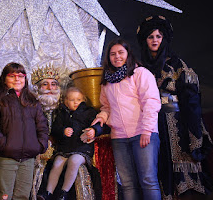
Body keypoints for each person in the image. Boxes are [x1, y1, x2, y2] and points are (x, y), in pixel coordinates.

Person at [137, 15, 213, 199]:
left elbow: (191, 100)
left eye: (158, 36)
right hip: (152, 124)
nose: (155, 40)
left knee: (183, 166)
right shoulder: (141, 68)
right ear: (145, 40)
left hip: (178, 123)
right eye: (150, 37)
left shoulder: (178, 65)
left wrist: (195, 135)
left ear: (164, 39)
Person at [91, 38, 162, 200]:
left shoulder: (140, 73)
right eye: (113, 54)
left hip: (143, 134)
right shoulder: (107, 82)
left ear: (128, 54)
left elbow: (151, 102)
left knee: (148, 180)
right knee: (128, 183)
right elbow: (106, 107)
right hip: (119, 138)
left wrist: (147, 130)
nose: (117, 57)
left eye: (121, 53)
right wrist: (101, 117)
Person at [0, 62, 49, 200]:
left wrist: (40, 145)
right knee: (3, 196)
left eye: (21, 76)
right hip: (6, 157)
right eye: (12, 76)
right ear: (4, 79)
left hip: (28, 159)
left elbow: (42, 126)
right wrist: (3, 145)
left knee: (22, 196)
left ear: (25, 79)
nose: (17, 79)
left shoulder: (32, 101)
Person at [38, 87, 98, 200]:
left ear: (84, 100)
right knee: (57, 164)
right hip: (65, 148)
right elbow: (55, 130)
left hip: (82, 149)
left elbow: (97, 125)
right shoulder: (62, 114)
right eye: (72, 100)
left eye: (79, 99)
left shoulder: (89, 112)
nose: (76, 102)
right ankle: (48, 192)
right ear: (66, 101)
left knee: (74, 161)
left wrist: (92, 131)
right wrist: (63, 131)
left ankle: (64, 192)